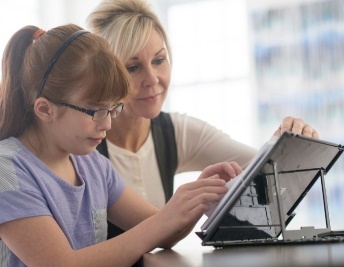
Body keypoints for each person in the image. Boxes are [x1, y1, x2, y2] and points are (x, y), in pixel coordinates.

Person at [0, 24, 243, 267]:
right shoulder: (8, 171)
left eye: (113, 108)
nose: (107, 123)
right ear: (45, 109)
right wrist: (165, 219)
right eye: (95, 110)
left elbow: (164, 234)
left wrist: (196, 199)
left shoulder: (93, 164)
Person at [86, 0, 319, 209]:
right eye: (132, 67)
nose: (153, 79)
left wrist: (288, 143)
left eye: (159, 60)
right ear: (108, 75)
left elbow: (269, 171)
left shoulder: (176, 132)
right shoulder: (84, 144)